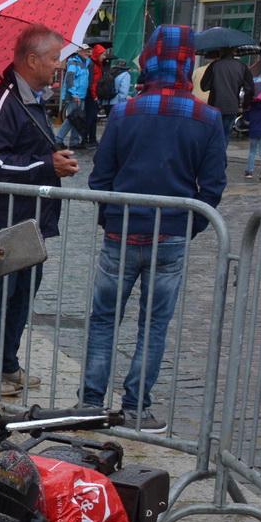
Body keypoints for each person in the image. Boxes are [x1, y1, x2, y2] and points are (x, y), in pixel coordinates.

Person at [77, 26, 225, 434]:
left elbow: (100, 178)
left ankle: (90, 403)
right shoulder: (207, 117)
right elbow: (212, 187)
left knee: (104, 319)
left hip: (121, 232)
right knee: (153, 325)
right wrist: (187, 225)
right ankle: (136, 407)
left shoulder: (124, 112)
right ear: (188, 62)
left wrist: (111, 218)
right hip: (170, 235)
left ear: (150, 59)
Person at [0, 24, 79, 399]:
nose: (58, 65)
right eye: (54, 58)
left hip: (31, 219)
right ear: (32, 60)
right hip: (5, 220)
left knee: (22, 296)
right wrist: (47, 165)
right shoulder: (3, 102)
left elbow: (27, 153)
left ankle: (7, 363)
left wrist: (53, 158)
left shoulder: (31, 99)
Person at [199, 46, 254, 142]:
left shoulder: (214, 65)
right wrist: (246, 104)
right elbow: (250, 89)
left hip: (214, 105)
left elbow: (204, 87)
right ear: (235, 51)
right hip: (232, 106)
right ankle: (222, 151)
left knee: (213, 135)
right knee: (225, 135)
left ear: (220, 51)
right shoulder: (242, 66)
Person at [54, 48, 90, 147]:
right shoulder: (74, 63)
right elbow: (69, 79)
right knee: (71, 119)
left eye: (88, 51)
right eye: (85, 51)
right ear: (79, 52)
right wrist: (74, 94)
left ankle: (74, 141)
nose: (87, 53)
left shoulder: (84, 63)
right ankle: (58, 140)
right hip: (75, 96)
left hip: (80, 95)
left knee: (76, 119)